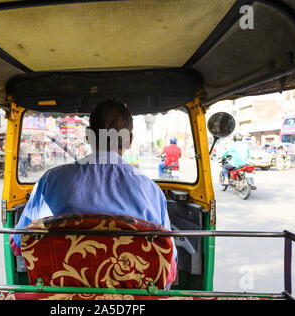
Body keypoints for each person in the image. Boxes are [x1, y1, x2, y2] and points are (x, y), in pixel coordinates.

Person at [10, 98, 177, 285]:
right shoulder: (152, 192)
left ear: (88, 136)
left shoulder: (50, 181)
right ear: (129, 140)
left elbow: (19, 245)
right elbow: (168, 266)